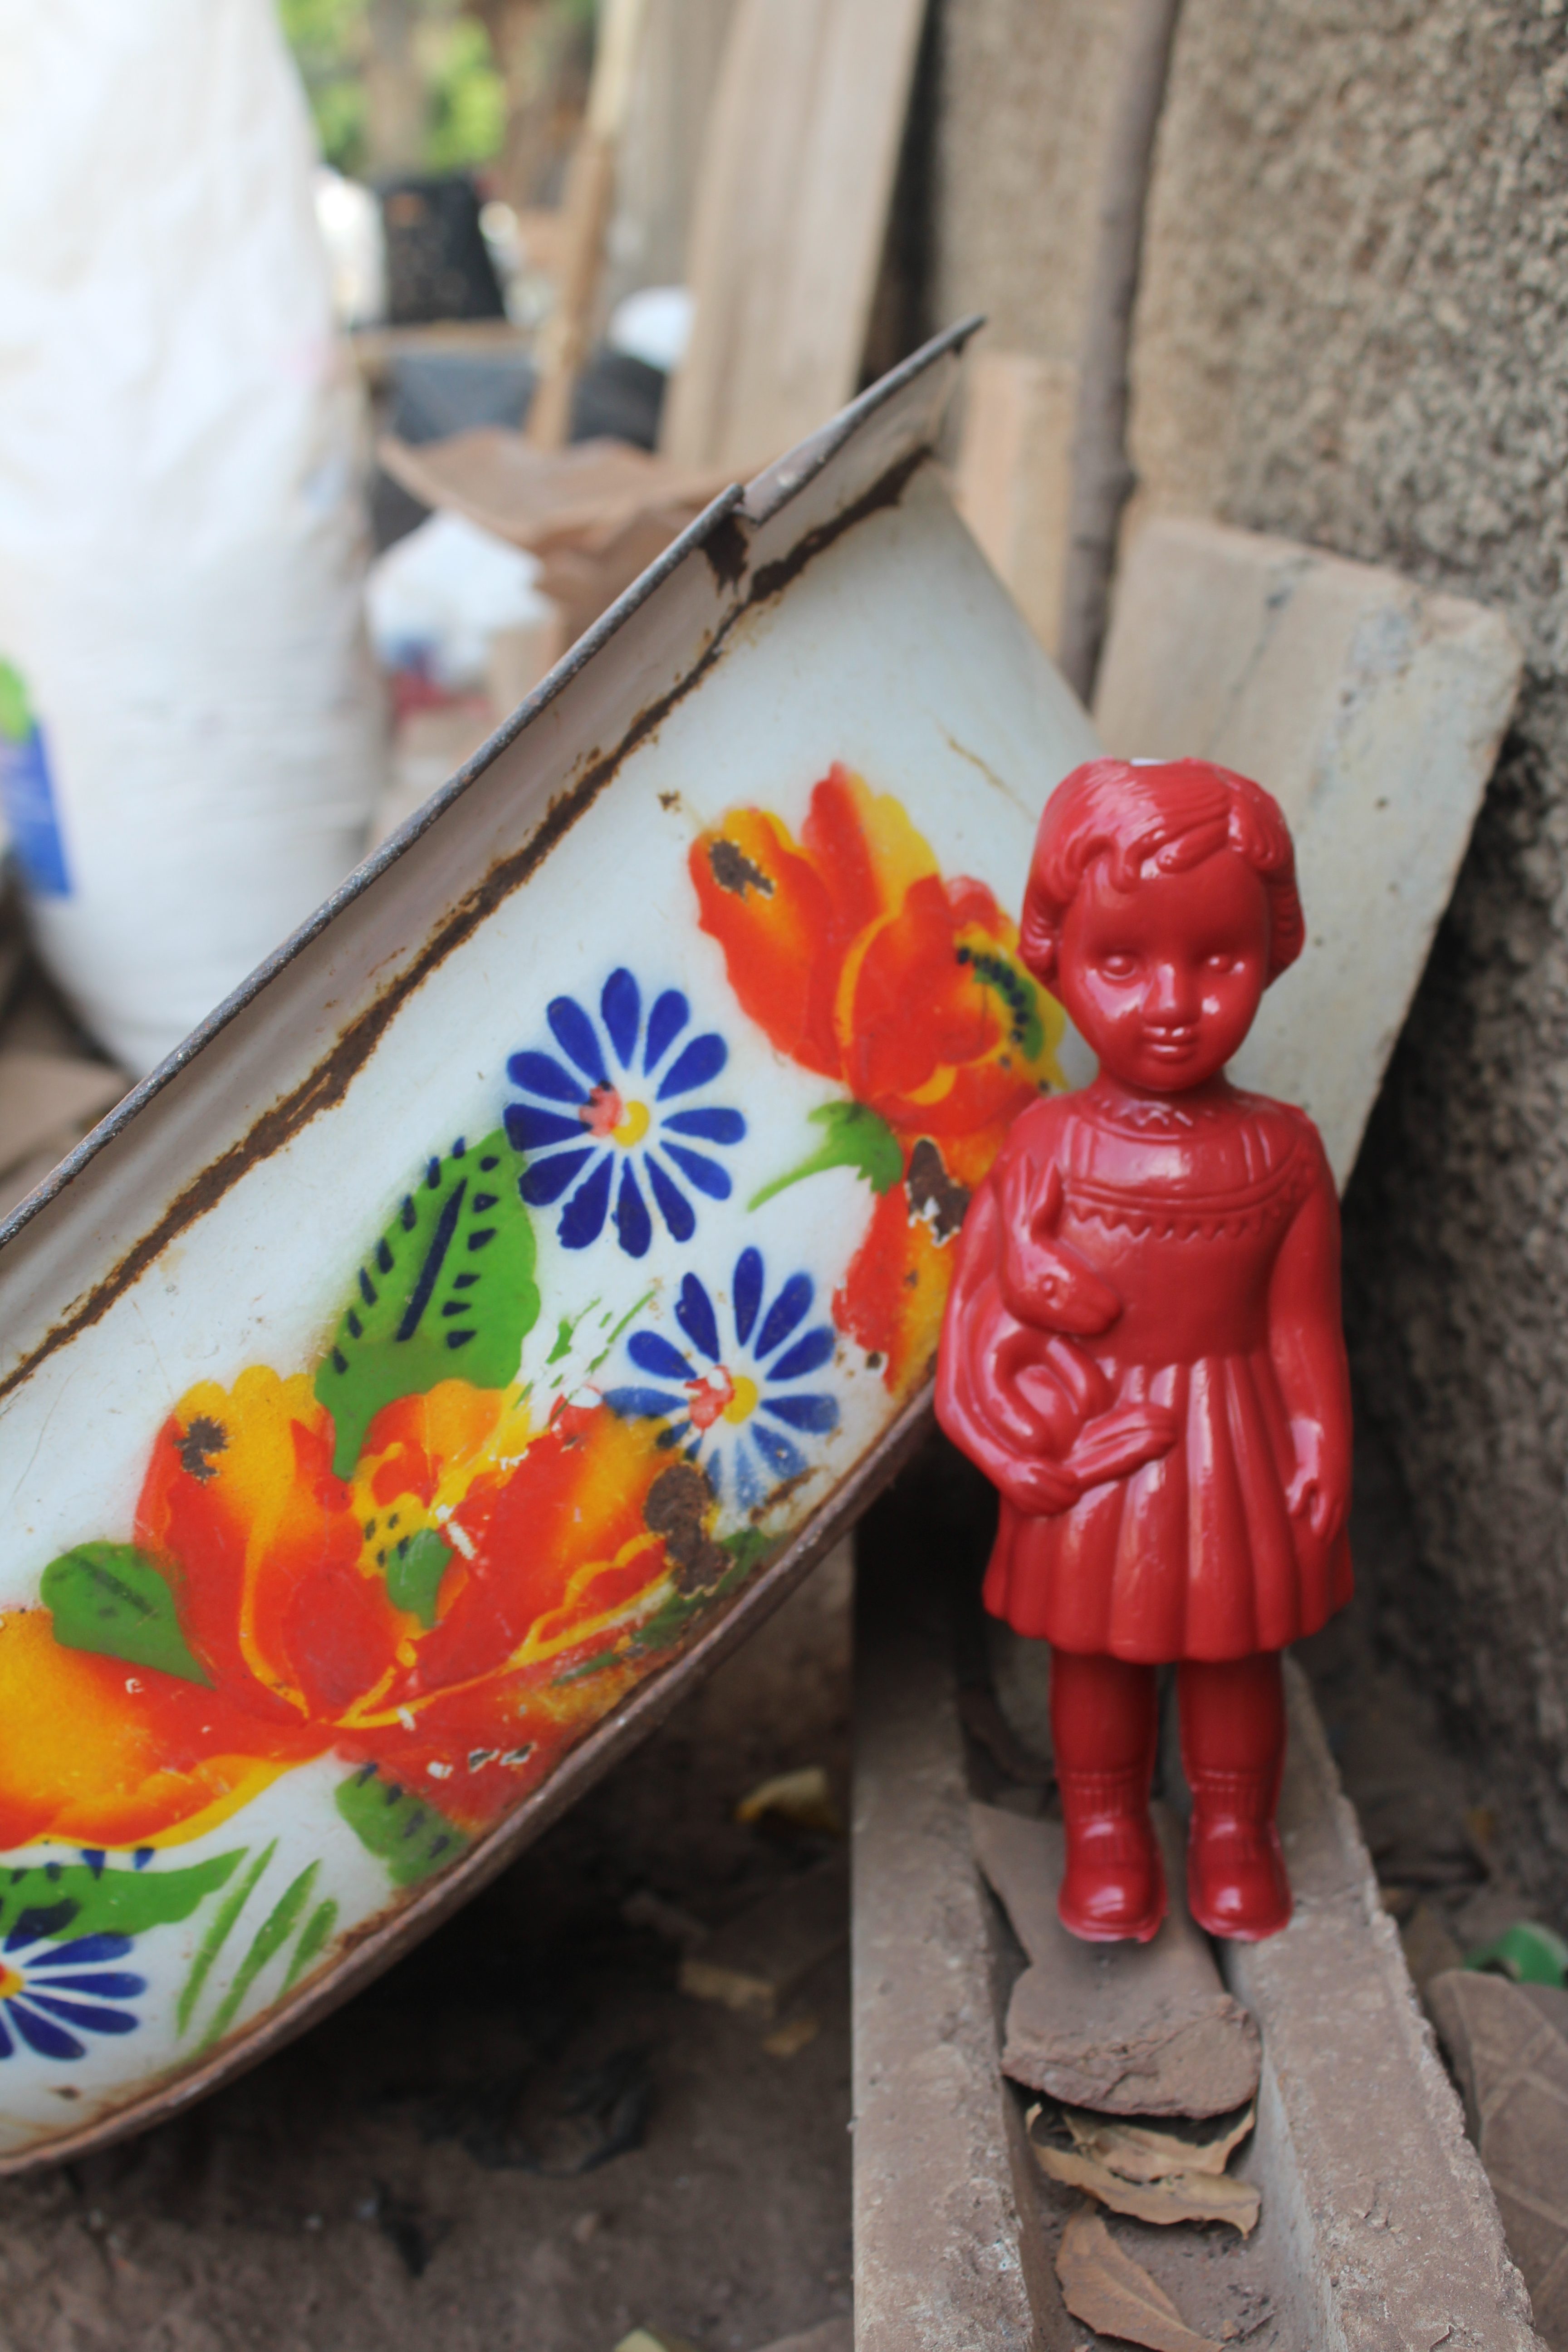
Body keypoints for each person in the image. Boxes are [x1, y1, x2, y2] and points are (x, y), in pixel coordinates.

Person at [936, 756, 1352, 1943]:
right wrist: (1020, 1446)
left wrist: (1322, 1434)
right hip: (1101, 1446)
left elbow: (1299, 1323)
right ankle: (1105, 1831)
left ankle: (1235, 1832)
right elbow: (979, 1322)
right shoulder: (1048, 1148)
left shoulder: (1283, 1154)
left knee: (1236, 1658)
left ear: (1272, 951)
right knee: (1096, 1659)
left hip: (1236, 1443)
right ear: (1055, 954)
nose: (1172, 999)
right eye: (1124, 960)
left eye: (1216, 957)